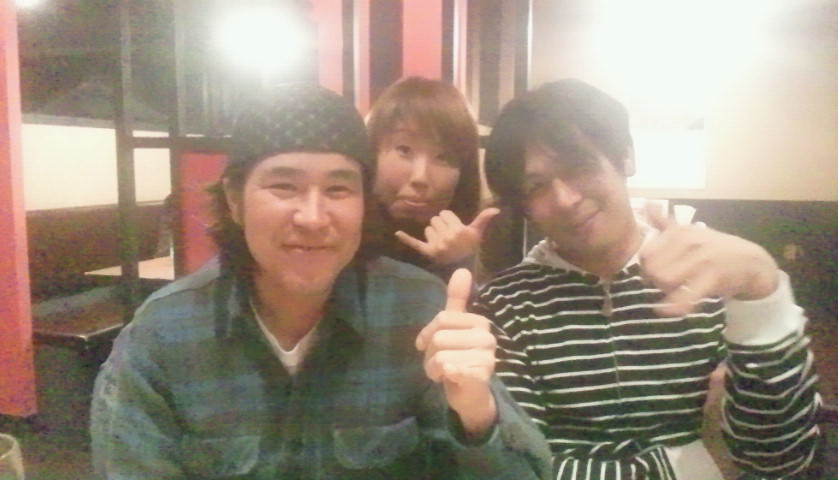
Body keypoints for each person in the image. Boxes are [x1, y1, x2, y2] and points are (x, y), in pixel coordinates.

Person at [90, 83, 550, 479]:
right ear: (234, 200)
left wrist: (475, 412)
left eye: (338, 189)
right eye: (284, 186)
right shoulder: (163, 336)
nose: (312, 217)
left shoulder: (419, 313)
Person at [476, 78, 822, 479]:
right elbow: (525, 469)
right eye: (536, 187)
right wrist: (700, 463)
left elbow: (780, 458)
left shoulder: (716, 279)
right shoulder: (505, 305)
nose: (565, 199)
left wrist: (762, 293)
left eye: (578, 167)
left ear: (625, 156)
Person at [367, 77, 499, 281]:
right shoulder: (337, 240)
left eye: (443, 157)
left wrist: (460, 264)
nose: (420, 177)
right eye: (404, 150)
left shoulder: (491, 243)